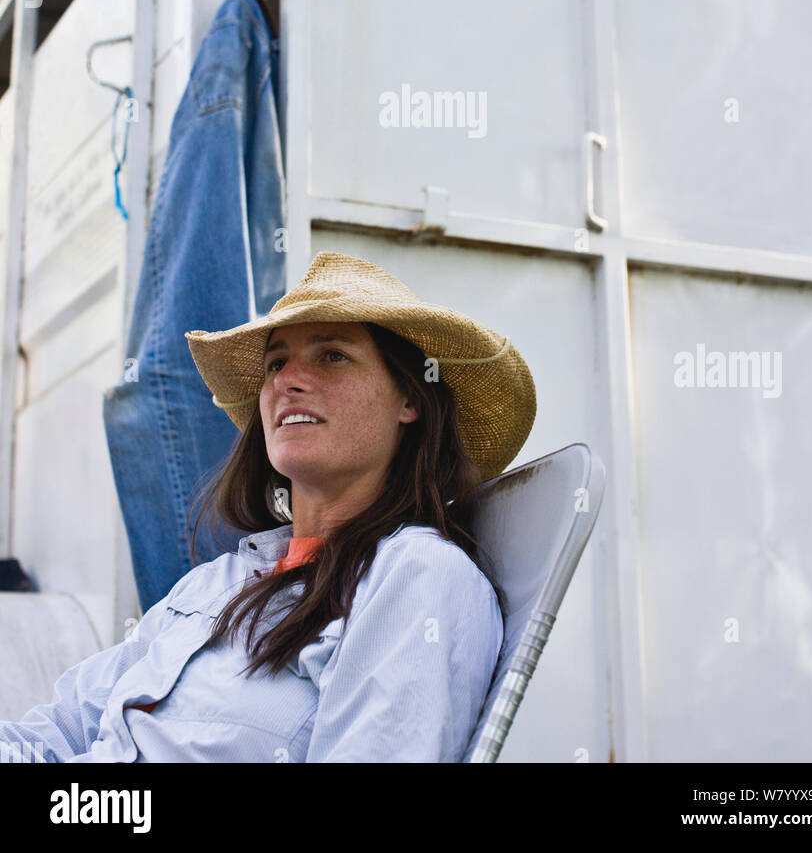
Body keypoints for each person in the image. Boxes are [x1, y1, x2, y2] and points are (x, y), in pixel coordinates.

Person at [0, 251, 536, 763]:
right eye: (276, 362)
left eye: (333, 355)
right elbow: (63, 729)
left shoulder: (417, 577)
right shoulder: (218, 581)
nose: (287, 380)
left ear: (411, 400)